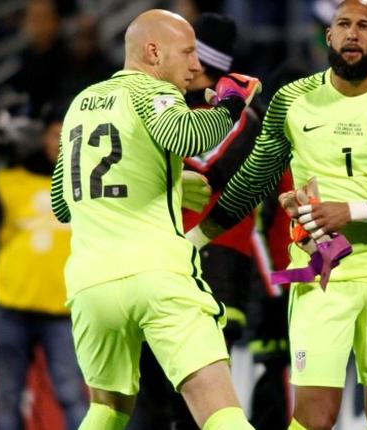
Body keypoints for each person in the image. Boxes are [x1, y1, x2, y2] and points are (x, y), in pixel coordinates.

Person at [188, 1, 367, 428]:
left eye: (364, 27)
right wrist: (192, 243)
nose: (352, 34)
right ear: (328, 35)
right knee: (315, 418)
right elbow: (252, 182)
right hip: (319, 278)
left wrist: (352, 212)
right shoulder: (293, 100)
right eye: (343, 24)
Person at [50, 9, 260, 430]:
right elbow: (188, 136)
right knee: (221, 413)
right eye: (186, 52)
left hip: (91, 287)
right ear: (152, 52)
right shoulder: (152, 92)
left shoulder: (79, 105)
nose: (195, 65)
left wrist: (168, 180)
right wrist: (231, 102)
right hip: (155, 275)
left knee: (106, 411)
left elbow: (62, 202)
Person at [128, 12, 263, 430]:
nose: (185, 65)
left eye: (190, 53)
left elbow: (208, 164)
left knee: (197, 404)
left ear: (202, 62)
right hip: (158, 261)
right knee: (147, 394)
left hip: (213, 265)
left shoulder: (238, 116)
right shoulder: (162, 107)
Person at [0, 110, 88, 430]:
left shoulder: (90, 187)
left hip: (63, 310)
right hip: (11, 306)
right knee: (8, 397)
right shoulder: (8, 181)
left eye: (66, 137)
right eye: (53, 136)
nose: (58, 145)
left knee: (72, 395)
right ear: (41, 138)